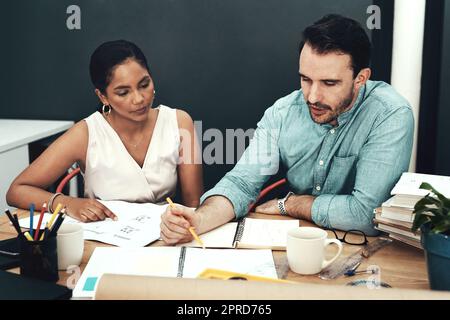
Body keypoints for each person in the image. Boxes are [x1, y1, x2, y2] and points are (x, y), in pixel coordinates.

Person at [160, 14, 414, 244]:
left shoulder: (390, 114)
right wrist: (199, 220)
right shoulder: (282, 113)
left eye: (329, 83)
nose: (312, 96)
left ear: (361, 78)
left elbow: (366, 215)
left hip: (365, 251)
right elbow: (240, 184)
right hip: (297, 243)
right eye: (305, 79)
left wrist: (292, 204)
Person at [6, 40, 203, 222]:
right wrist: (69, 203)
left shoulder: (178, 122)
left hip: (163, 237)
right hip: (103, 241)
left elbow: (193, 204)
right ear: (103, 97)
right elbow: (17, 190)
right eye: (123, 92)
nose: (139, 99)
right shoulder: (86, 133)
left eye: (144, 84)